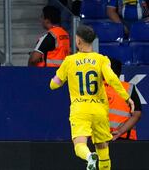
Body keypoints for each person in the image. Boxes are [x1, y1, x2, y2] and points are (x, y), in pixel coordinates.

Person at [49, 25, 134, 170]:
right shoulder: (102, 60)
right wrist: (127, 98)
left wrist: (58, 78)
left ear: (79, 41)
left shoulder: (69, 61)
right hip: (99, 110)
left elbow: (54, 85)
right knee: (103, 149)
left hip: (80, 109)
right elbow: (112, 79)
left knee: (80, 145)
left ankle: (89, 156)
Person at [106, 58, 142, 141]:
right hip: (124, 137)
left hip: (101, 138)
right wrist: (120, 131)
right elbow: (137, 114)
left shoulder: (96, 88)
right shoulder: (129, 88)